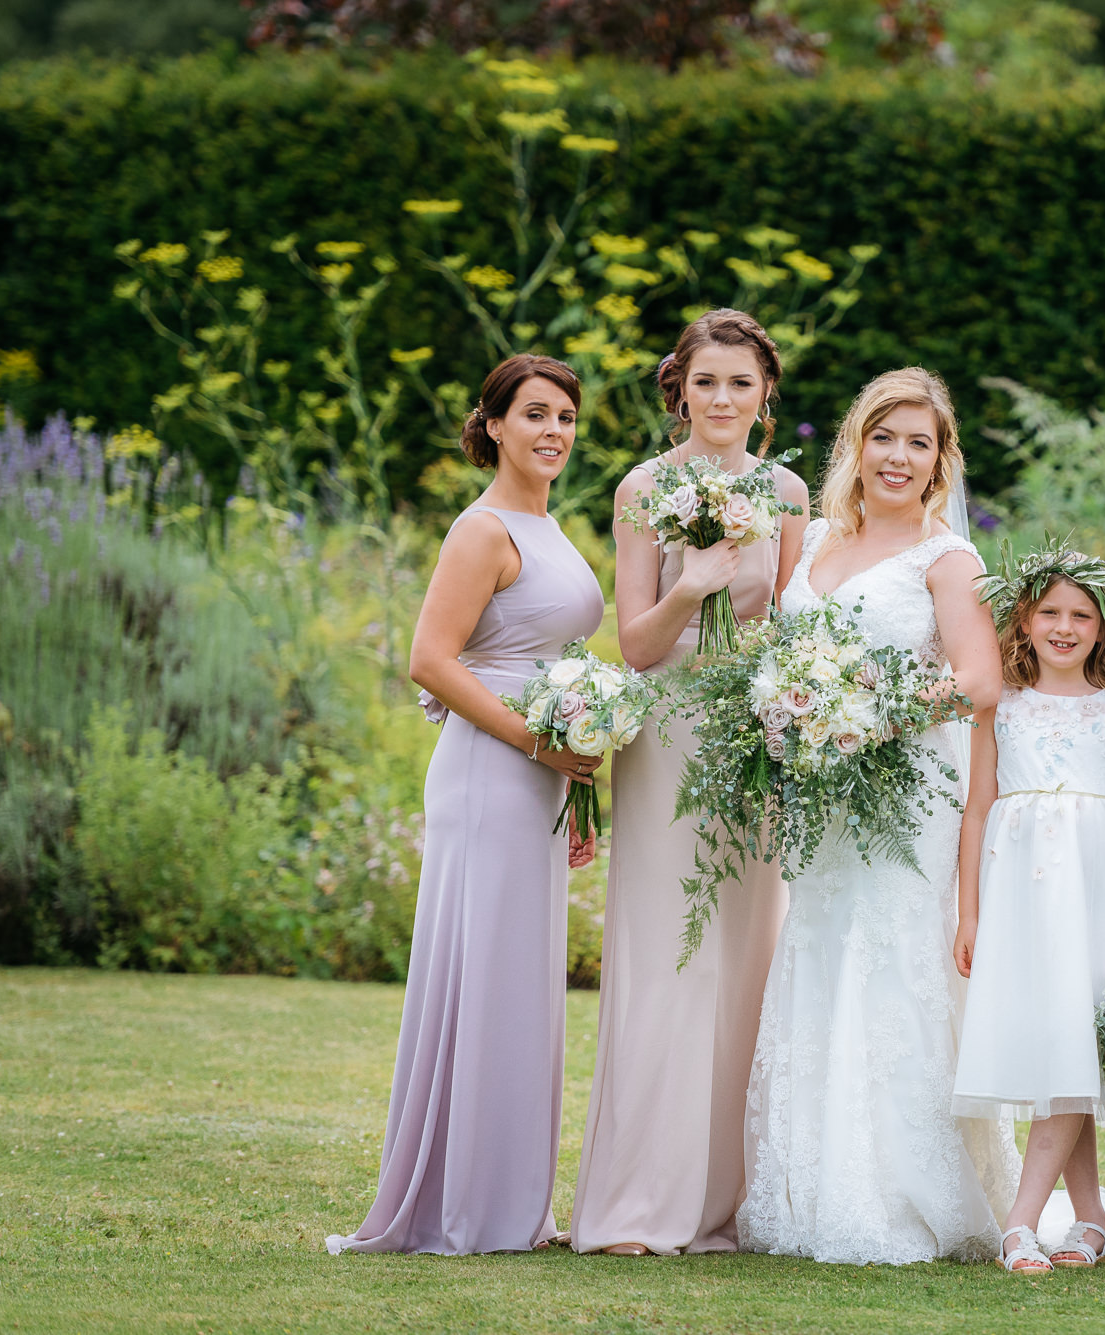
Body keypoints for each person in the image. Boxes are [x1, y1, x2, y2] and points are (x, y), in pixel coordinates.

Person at [738, 367, 1018, 1265]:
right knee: (822, 958)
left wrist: (860, 717)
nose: (898, 457)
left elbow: (979, 679)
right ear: (855, 445)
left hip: (907, 797)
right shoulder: (813, 539)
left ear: (940, 463)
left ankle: (903, 1193)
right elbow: (783, 649)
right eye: (884, 437)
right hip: (824, 804)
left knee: (894, 971)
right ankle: (813, 1184)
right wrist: (796, 714)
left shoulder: (947, 558)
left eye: (919, 443)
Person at [327, 354, 605, 1256]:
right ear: (491, 426)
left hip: (534, 778)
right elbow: (432, 660)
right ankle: (466, 1206)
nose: (554, 430)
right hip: (489, 775)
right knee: (483, 977)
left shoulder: (548, 525)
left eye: (566, 415)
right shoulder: (481, 529)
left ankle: (511, 1203)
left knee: (521, 984)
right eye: (534, 414)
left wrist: (571, 769)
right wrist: (539, 744)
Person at [569, 310, 808, 1257]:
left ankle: (725, 1202)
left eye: (740, 384)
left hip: (754, 735)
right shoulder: (644, 488)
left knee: (744, 959)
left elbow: (794, 624)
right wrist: (692, 584)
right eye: (705, 382)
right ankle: (636, 1205)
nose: (721, 400)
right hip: (668, 733)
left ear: (764, 395)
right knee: (665, 952)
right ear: (680, 387)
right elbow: (633, 644)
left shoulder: (787, 491)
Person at [951, 548, 1105, 1274]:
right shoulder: (1000, 708)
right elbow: (977, 810)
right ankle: (1089, 1218)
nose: (1064, 626)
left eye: (1081, 614)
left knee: (1076, 1036)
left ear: (1103, 626)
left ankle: (1019, 1223)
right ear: (1024, 618)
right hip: (1022, 891)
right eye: (1050, 611)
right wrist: (969, 913)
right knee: (1060, 1043)